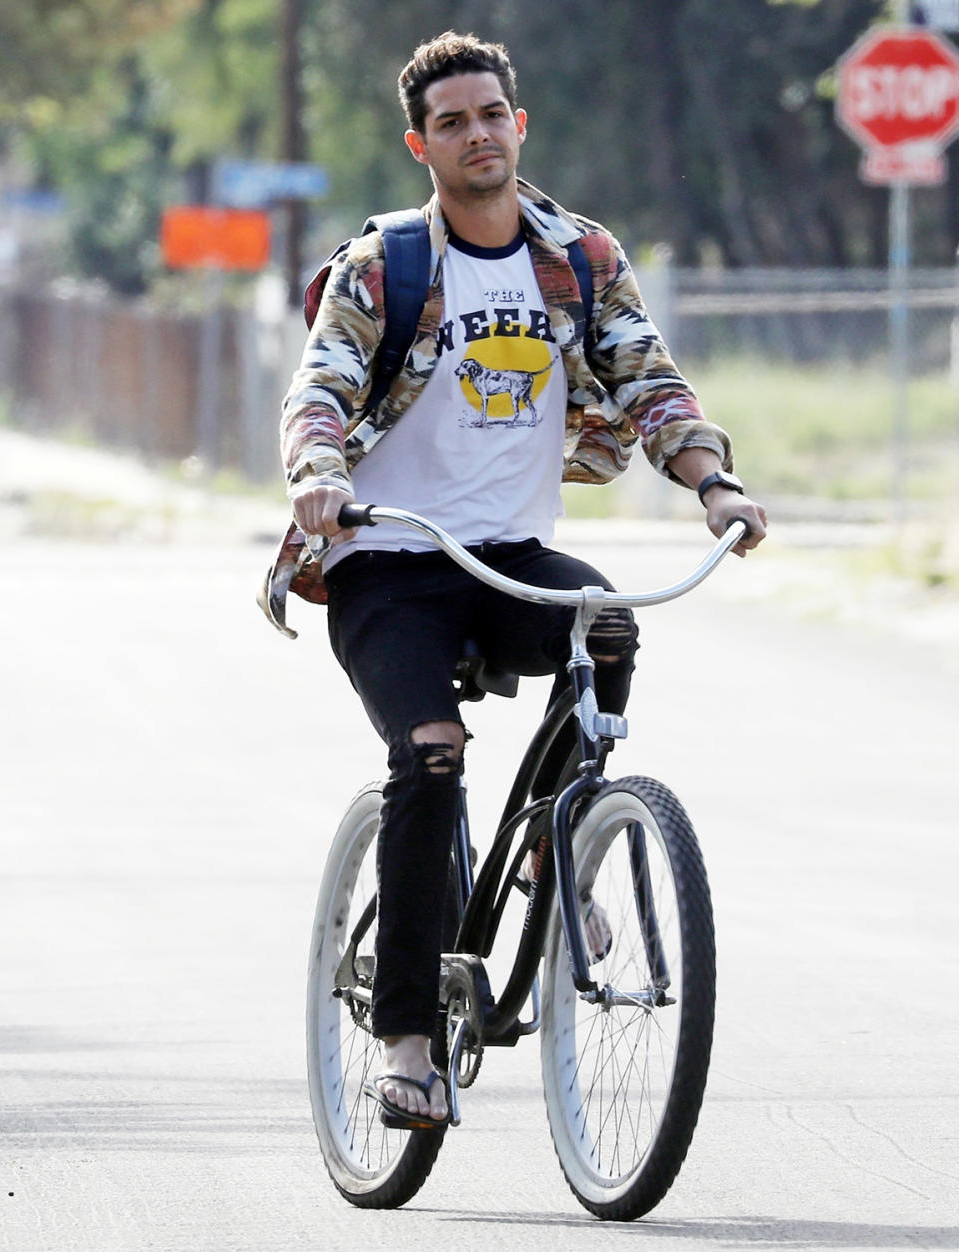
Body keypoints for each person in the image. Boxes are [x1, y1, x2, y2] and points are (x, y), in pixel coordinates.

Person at [260, 31, 767, 1130]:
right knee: (430, 755)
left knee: (612, 628)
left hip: (507, 552)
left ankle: (550, 842)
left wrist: (713, 482)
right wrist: (317, 475)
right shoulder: (386, 262)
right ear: (421, 144)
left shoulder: (579, 257)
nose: (477, 133)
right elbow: (323, 386)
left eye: (492, 114)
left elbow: (649, 378)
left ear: (518, 125)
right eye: (452, 122)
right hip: (387, 556)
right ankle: (405, 1036)